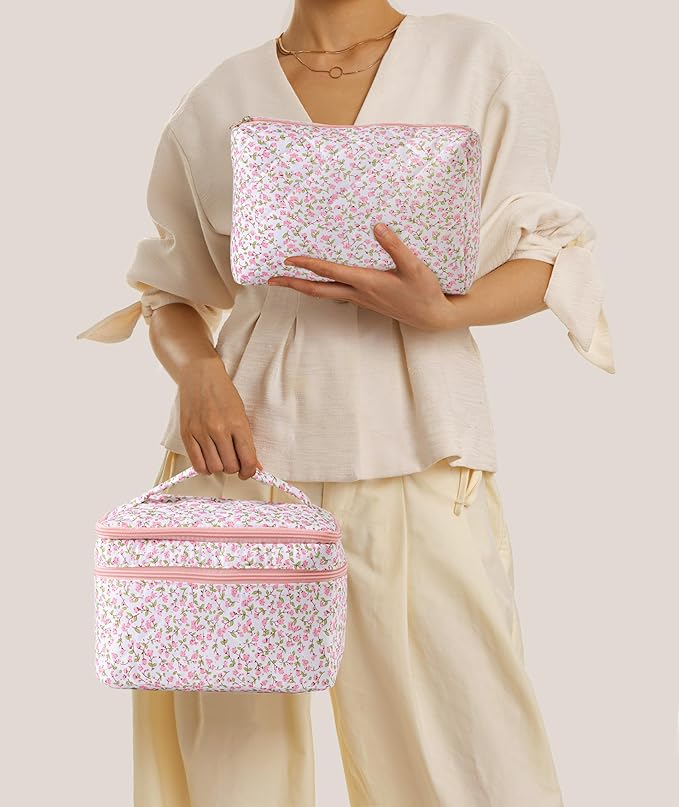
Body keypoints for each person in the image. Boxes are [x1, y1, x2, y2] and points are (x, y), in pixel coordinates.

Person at [77, 3, 615, 805]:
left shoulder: (475, 59)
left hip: (417, 445)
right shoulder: (219, 96)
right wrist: (197, 374)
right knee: (232, 767)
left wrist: (445, 311)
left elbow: (548, 251)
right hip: (236, 465)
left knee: (467, 753)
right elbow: (172, 289)